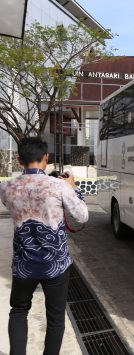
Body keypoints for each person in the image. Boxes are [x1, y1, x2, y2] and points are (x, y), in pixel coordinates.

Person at [0, 137, 88, 355]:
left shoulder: (6, 187)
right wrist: (73, 188)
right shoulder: (58, 186)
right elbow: (82, 216)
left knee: (18, 311)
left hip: (23, 265)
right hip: (55, 265)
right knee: (56, 318)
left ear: (19, 160)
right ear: (46, 158)